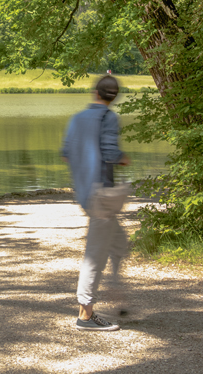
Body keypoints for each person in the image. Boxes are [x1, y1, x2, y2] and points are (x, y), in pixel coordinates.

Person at [60, 74, 130, 331]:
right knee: (94, 255)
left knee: (120, 244)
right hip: (102, 197)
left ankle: (116, 287)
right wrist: (124, 159)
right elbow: (112, 153)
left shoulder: (77, 118)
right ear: (114, 97)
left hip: (85, 193)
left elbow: (66, 154)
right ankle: (85, 314)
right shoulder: (109, 117)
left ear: (95, 93)